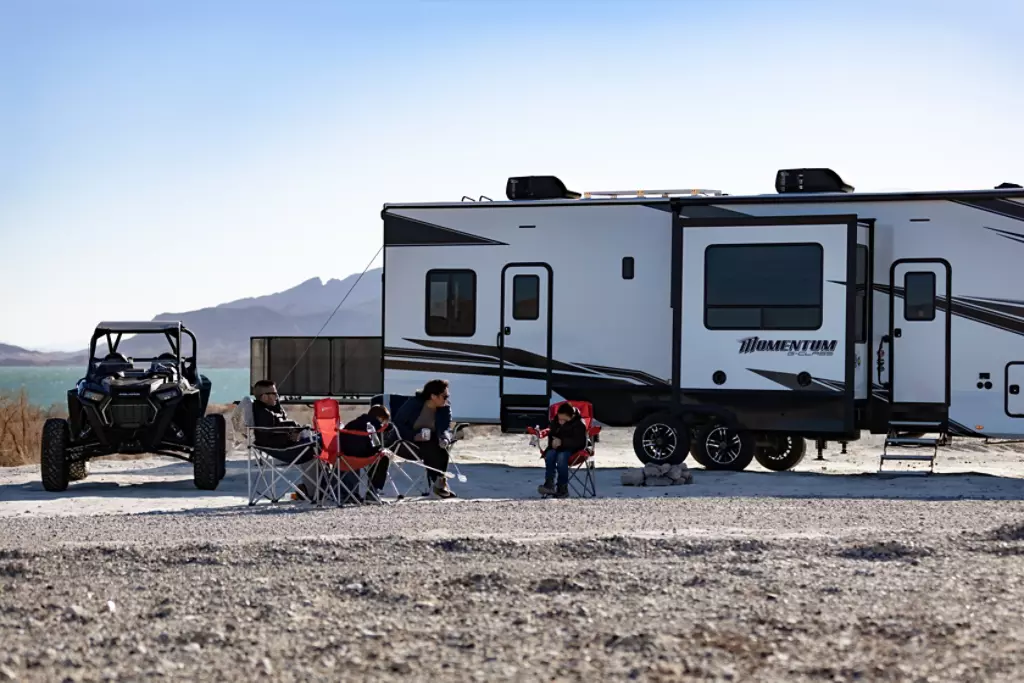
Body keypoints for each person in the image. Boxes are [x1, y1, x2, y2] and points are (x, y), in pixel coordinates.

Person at [251, 379, 321, 498]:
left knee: (321, 441)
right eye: (274, 394)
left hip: (289, 444)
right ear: (264, 397)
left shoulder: (273, 408)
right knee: (319, 445)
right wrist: (292, 434)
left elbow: (281, 426)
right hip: (283, 448)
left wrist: (296, 431)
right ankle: (318, 492)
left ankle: (319, 489)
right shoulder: (262, 413)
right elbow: (271, 435)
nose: (277, 397)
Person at [392, 378, 456, 499]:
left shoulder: (445, 408)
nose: (447, 399)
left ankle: (438, 483)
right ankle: (438, 484)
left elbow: (446, 428)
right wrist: (414, 436)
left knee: (439, 445)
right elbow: (397, 425)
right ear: (433, 396)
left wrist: (445, 438)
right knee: (433, 447)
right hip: (406, 443)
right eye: (444, 396)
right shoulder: (413, 404)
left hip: (429, 443)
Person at [336, 404, 393, 502]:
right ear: (379, 418)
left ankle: (348, 493)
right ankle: (373, 491)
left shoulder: (351, 423)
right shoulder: (373, 425)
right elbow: (375, 446)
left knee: (358, 454)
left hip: (344, 456)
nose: (383, 423)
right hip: (363, 456)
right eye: (383, 420)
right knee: (382, 457)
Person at [538, 402, 587, 498]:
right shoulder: (556, 421)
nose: (560, 421)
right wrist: (552, 442)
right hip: (558, 448)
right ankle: (549, 484)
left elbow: (580, 442)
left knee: (561, 457)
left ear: (571, 416)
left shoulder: (579, 423)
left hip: (574, 450)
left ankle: (562, 488)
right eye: (559, 418)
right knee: (550, 454)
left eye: (563, 420)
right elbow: (551, 434)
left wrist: (562, 442)